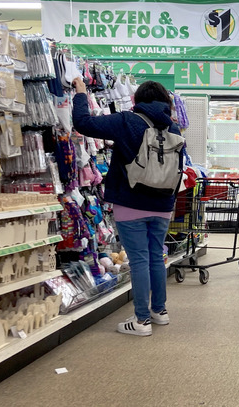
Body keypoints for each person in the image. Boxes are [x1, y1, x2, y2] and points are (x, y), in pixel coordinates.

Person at [72, 77, 180, 336]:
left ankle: (141, 321)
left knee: (140, 259)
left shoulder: (127, 121)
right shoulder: (173, 127)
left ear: (135, 100)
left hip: (131, 201)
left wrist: (80, 93)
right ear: (165, 101)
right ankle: (159, 311)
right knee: (156, 256)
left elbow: (83, 123)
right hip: (163, 202)